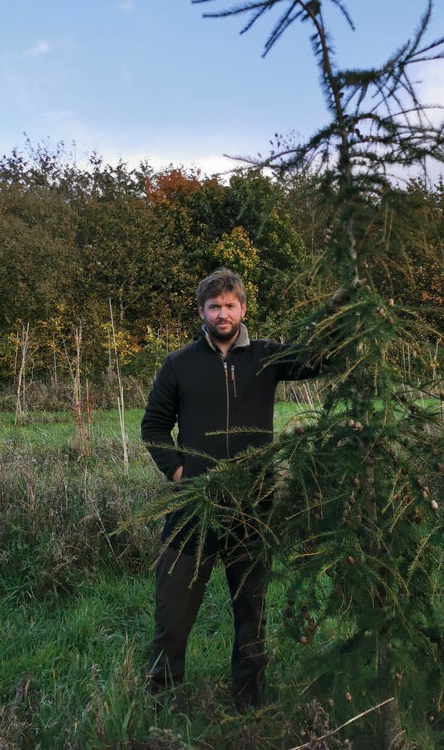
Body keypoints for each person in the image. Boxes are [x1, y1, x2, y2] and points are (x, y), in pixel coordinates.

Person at [141, 268, 319, 710]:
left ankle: (249, 703)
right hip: (193, 509)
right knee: (172, 611)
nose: (223, 313)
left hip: (252, 506)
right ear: (201, 311)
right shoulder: (179, 364)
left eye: (230, 305)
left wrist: (344, 312)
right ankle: (164, 703)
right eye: (214, 306)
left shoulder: (267, 356)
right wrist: (181, 475)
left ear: (243, 309)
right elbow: (154, 426)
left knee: (251, 612)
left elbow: (320, 358)